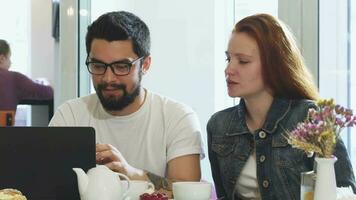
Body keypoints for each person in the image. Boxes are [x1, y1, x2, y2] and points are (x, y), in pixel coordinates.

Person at [49, 11, 204, 196]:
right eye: (98, 66)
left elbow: (186, 192)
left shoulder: (176, 117)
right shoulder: (70, 114)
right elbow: (46, 182)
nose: (108, 78)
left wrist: (131, 174)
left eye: (121, 67)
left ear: (145, 64)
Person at [207, 13, 356, 200]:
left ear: (274, 65)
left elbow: (345, 193)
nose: (229, 70)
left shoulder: (312, 119)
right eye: (229, 59)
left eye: (243, 61)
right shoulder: (219, 125)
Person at [0, 39, 53, 111]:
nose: (10, 63)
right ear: (2, 59)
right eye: (9, 58)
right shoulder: (14, 79)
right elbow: (48, 92)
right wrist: (50, 84)